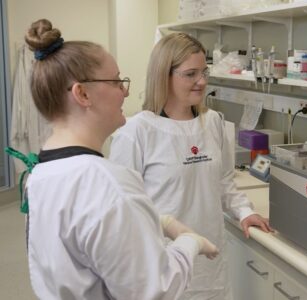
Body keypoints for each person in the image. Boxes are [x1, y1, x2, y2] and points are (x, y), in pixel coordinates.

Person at [15, 19, 219, 299]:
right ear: (82, 93)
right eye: (115, 81)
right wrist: (188, 243)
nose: (125, 90)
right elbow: (154, 289)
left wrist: (157, 222)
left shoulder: (42, 174)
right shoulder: (108, 184)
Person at [109, 33, 272, 299]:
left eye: (204, 72)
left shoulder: (214, 122)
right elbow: (124, 210)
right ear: (164, 75)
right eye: (191, 74)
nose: (202, 81)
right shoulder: (136, 131)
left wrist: (243, 211)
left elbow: (223, 182)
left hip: (210, 258)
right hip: (162, 264)